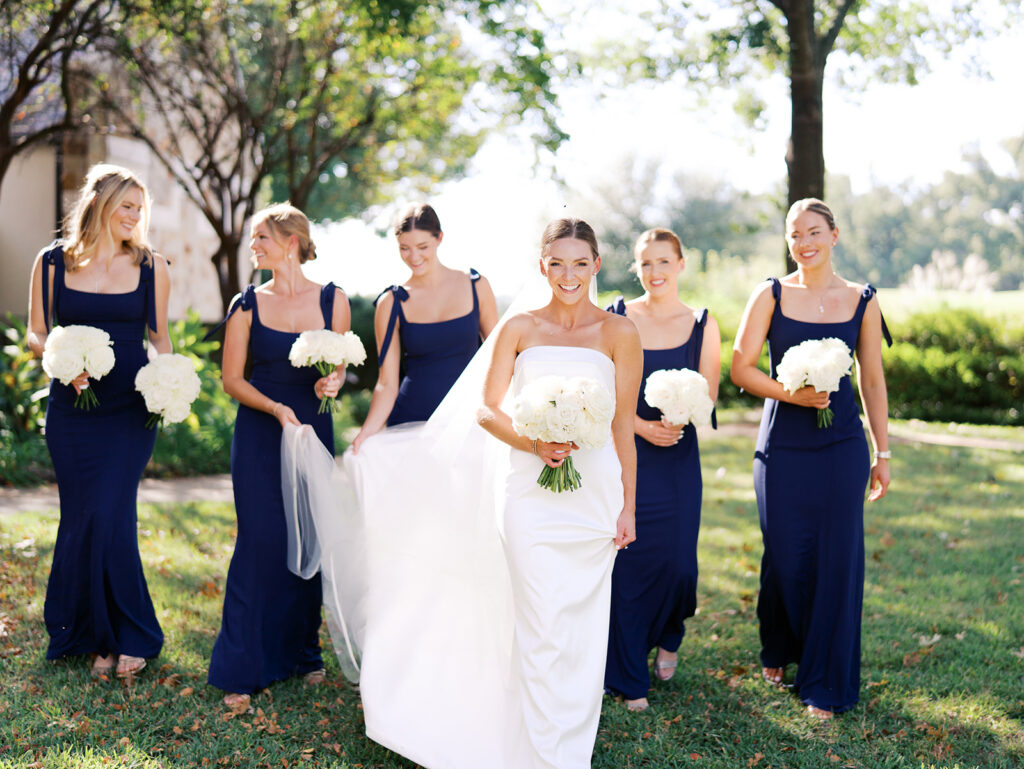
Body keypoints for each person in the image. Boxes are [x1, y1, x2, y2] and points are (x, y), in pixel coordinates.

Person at [478, 217, 642, 767]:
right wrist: (534, 443)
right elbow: (486, 409)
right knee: (541, 617)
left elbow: (622, 426)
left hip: (594, 496)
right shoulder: (519, 327)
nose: (568, 274)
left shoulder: (620, 333)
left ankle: (568, 751)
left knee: (581, 627)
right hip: (528, 495)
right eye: (556, 263)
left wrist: (629, 507)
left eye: (579, 263)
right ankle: (539, 751)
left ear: (596, 265)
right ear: (541, 266)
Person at [730, 198, 891, 719]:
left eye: (814, 231)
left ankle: (825, 682)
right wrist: (789, 393)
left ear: (835, 235)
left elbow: (871, 379)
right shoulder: (771, 294)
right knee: (787, 556)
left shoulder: (863, 299)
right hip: (783, 449)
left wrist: (881, 452)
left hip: (843, 447)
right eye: (795, 234)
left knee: (837, 562)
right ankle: (780, 643)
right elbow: (741, 369)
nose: (804, 242)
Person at [26, 163, 171, 678]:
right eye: (126, 206)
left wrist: (166, 382)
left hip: (129, 411)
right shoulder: (51, 262)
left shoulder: (151, 266)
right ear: (100, 205)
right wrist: (66, 359)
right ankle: (88, 636)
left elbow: (160, 339)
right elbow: (37, 334)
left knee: (112, 515)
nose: (135, 216)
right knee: (83, 516)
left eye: (139, 208)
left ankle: (130, 634)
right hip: (72, 407)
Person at [207, 203, 351, 710]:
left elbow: (339, 371)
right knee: (260, 539)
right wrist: (275, 408)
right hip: (262, 431)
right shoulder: (246, 304)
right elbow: (231, 379)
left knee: (305, 534)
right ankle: (242, 665)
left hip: (313, 429)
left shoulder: (334, 301)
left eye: (261, 238)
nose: (254, 247)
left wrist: (332, 382)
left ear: (290, 241)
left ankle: (302, 654)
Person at [603, 228, 721, 712]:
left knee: (678, 566)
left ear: (681, 264)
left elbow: (708, 393)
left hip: (676, 458)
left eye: (663, 262)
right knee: (627, 565)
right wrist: (638, 427)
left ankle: (671, 631)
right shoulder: (617, 317)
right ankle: (629, 678)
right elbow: (603, 392)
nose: (655, 272)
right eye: (646, 263)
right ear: (637, 267)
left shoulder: (701, 322)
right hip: (626, 453)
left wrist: (680, 413)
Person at [350, 202, 497, 451]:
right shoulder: (390, 303)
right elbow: (387, 383)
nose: (414, 257)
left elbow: (499, 359)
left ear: (439, 238)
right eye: (404, 248)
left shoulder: (476, 286)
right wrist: (366, 432)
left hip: (468, 421)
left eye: (422, 247)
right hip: (412, 425)